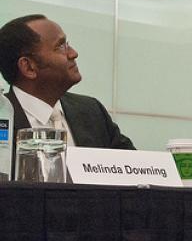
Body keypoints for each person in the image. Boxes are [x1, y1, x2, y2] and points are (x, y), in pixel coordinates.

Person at [0, 14, 135, 177]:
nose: (73, 53)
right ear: (28, 67)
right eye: (60, 47)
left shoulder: (92, 112)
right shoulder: (4, 117)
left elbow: (134, 173)